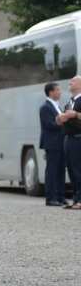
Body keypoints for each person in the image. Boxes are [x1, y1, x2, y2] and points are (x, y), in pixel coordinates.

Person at [40, 82, 67, 206]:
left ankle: (60, 196)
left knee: (61, 170)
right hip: (52, 143)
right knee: (52, 171)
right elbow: (48, 125)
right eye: (57, 90)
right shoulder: (45, 107)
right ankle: (50, 198)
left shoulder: (57, 106)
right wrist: (61, 121)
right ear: (51, 92)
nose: (60, 92)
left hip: (61, 143)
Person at [56, 76, 81, 209]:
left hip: (78, 138)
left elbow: (75, 116)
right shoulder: (70, 101)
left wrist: (75, 114)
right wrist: (60, 118)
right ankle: (76, 199)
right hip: (69, 139)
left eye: (73, 81)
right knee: (71, 170)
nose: (69, 83)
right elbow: (63, 119)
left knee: (78, 170)